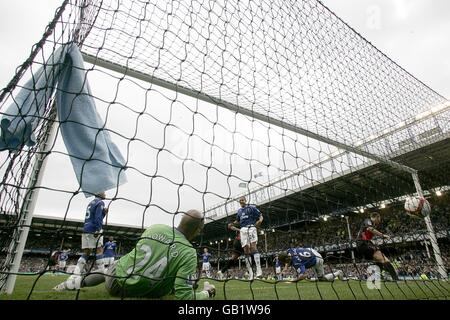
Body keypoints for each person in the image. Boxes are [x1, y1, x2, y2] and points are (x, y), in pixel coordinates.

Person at [53, 209, 216, 300]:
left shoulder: (155, 228)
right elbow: (185, 297)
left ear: (180, 220)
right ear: (198, 231)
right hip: (151, 292)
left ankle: (69, 285)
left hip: (118, 284)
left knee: (107, 269)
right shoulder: (189, 253)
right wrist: (207, 292)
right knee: (185, 281)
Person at [356, 212, 399, 281]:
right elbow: (369, 228)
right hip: (363, 243)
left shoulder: (372, 224)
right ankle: (395, 278)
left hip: (363, 245)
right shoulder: (367, 220)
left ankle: (377, 277)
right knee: (384, 259)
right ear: (376, 217)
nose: (379, 221)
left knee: (378, 260)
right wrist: (382, 235)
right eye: (379, 219)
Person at [230, 196, 263, 279]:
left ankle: (259, 270)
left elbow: (260, 215)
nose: (241, 201)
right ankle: (251, 273)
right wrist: (232, 224)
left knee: (253, 247)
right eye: (240, 200)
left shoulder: (251, 207)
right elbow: (238, 221)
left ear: (245, 200)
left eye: (242, 200)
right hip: (243, 230)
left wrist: (260, 220)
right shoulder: (239, 211)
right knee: (246, 250)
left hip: (251, 228)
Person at [278, 247, 344, 281]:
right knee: (305, 261)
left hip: (317, 259)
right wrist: (285, 268)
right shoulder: (290, 250)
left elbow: (304, 275)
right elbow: (288, 256)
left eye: (284, 262)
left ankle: (338, 272)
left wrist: (294, 280)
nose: (285, 264)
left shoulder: (296, 263)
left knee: (321, 278)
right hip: (312, 251)